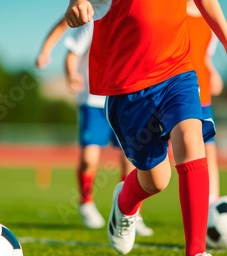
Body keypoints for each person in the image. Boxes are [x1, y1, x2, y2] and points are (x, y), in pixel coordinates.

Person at [65, 0, 227, 256]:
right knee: (157, 180)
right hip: (127, 87)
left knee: (191, 138)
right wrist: (77, 4)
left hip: (177, 72)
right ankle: (125, 202)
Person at [36, 19, 153, 235]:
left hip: (125, 99)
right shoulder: (94, 20)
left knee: (130, 162)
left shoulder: (133, 18)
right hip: (93, 100)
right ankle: (86, 202)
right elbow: (72, 52)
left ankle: (131, 213)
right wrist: (71, 75)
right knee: (89, 158)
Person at [186, 0, 224, 208]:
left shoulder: (210, 19)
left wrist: (213, 73)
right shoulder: (173, 12)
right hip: (171, 93)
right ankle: (134, 212)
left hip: (202, 97)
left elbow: (203, 55)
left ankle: (212, 205)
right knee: (154, 157)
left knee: (209, 152)